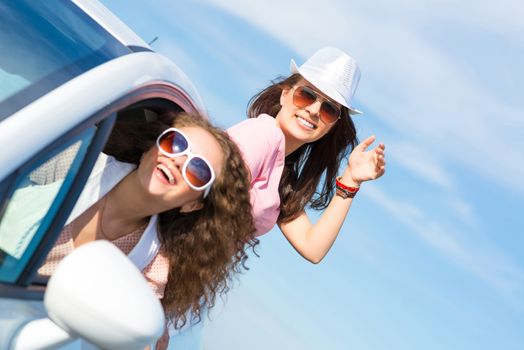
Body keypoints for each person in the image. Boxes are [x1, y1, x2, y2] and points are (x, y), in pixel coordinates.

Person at [39, 112, 257, 346]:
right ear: (149, 149)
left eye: (198, 170)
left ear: (192, 204)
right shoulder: (76, 159)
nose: (178, 161)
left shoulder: (151, 264)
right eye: (175, 144)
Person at [227, 46, 386, 263]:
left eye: (329, 109)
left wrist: (351, 180)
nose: (313, 110)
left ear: (332, 127)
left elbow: (313, 247)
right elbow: (206, 195)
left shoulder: (281, 172)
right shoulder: (263, 134)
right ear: (285, 94)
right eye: (306, 95)